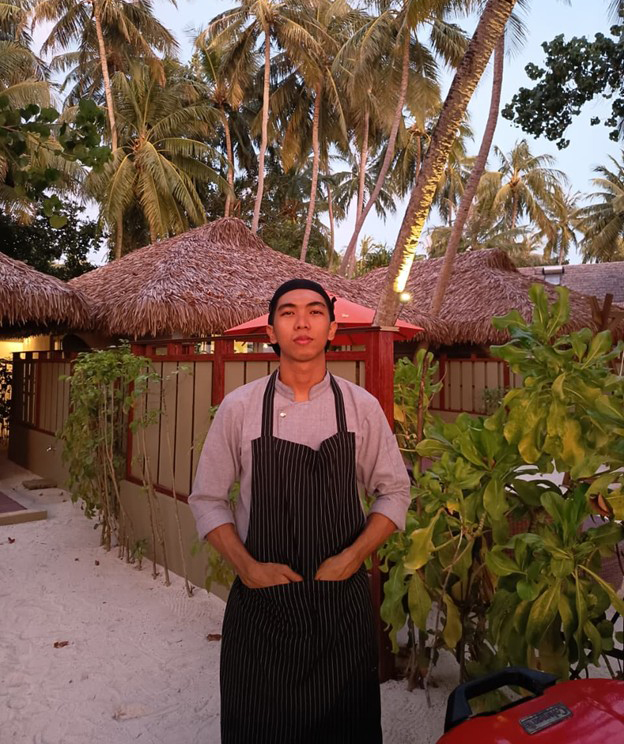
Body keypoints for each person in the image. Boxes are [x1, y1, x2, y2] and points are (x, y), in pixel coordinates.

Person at [189, 278, 411, 744]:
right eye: (288, 312)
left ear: (332, 329)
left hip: (341, 609)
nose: (302, 322)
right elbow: (207, 499)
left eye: (315, 311)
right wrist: (247, 568)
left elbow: (394, 493)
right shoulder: (240, 408)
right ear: (271, 331)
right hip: (262, 611)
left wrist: (353, 557)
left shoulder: (361, 407)